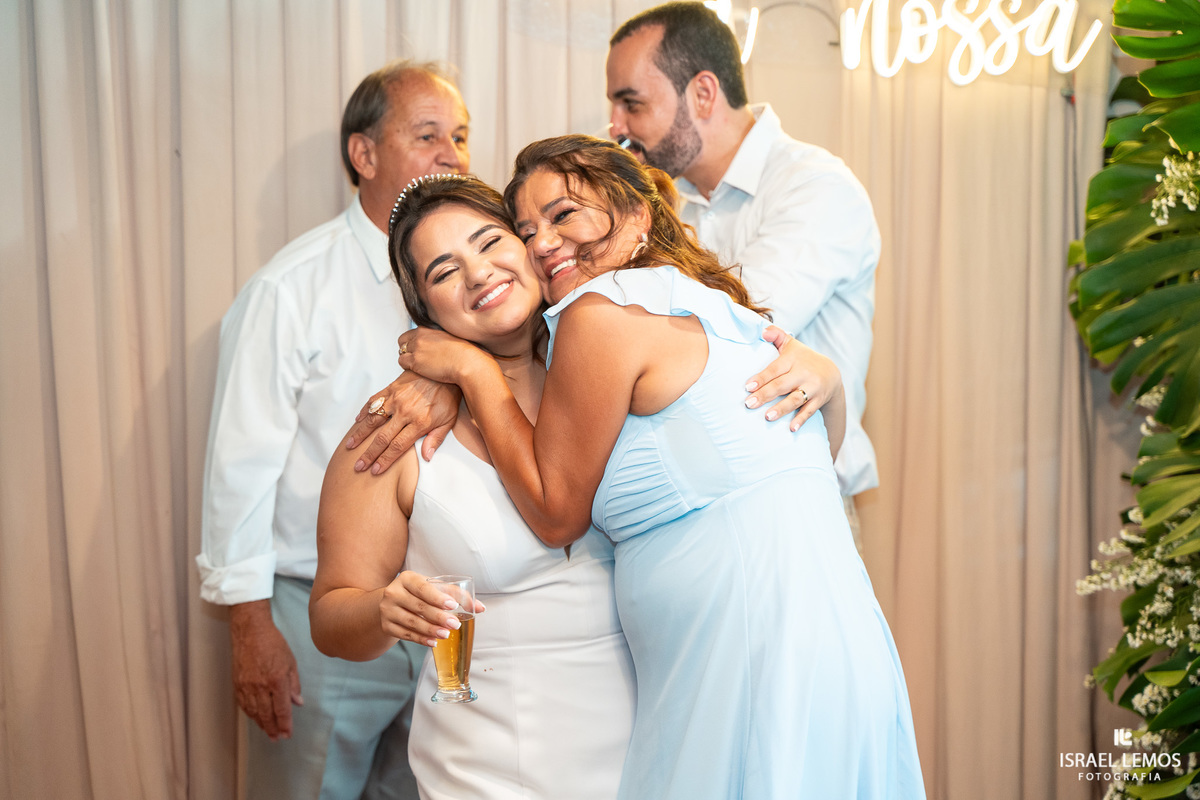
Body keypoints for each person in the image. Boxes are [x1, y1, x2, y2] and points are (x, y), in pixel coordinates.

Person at [393, 136, 924, 799]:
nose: (541, 244)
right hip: (826, 649)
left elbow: (556, 512)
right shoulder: (716, 306)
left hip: (747, 663)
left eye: (564, 216)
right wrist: (836, 386)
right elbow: (814, 443)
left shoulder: (599, 316)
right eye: (526, 229)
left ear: (638, 215)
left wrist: (469, 370)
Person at [308, 176, 639, 799]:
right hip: (490, 772)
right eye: (443, 271)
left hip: (652, 752)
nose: (479, 273)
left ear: (530, 245)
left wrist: (821, 376)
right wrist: (383, 610)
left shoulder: (624, 371)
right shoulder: (398, 431)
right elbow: (330, 616)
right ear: (425, 311)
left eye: (491, 241)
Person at [196, 60, 467, 799]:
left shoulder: (474, 283)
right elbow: (238, 469)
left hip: (444, 618)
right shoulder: (290, 289)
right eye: (429, 135)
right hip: (321, 622)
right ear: (365, 154)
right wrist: (252, 631)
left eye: (462, 137)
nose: (453, 154)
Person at [606, 2, 882, 528]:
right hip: (691, 504)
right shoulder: (662, 199)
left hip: (797, 502)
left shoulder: (815, 187)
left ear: (704, 93)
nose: (616, 126)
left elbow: (736, 327)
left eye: (631, 103)